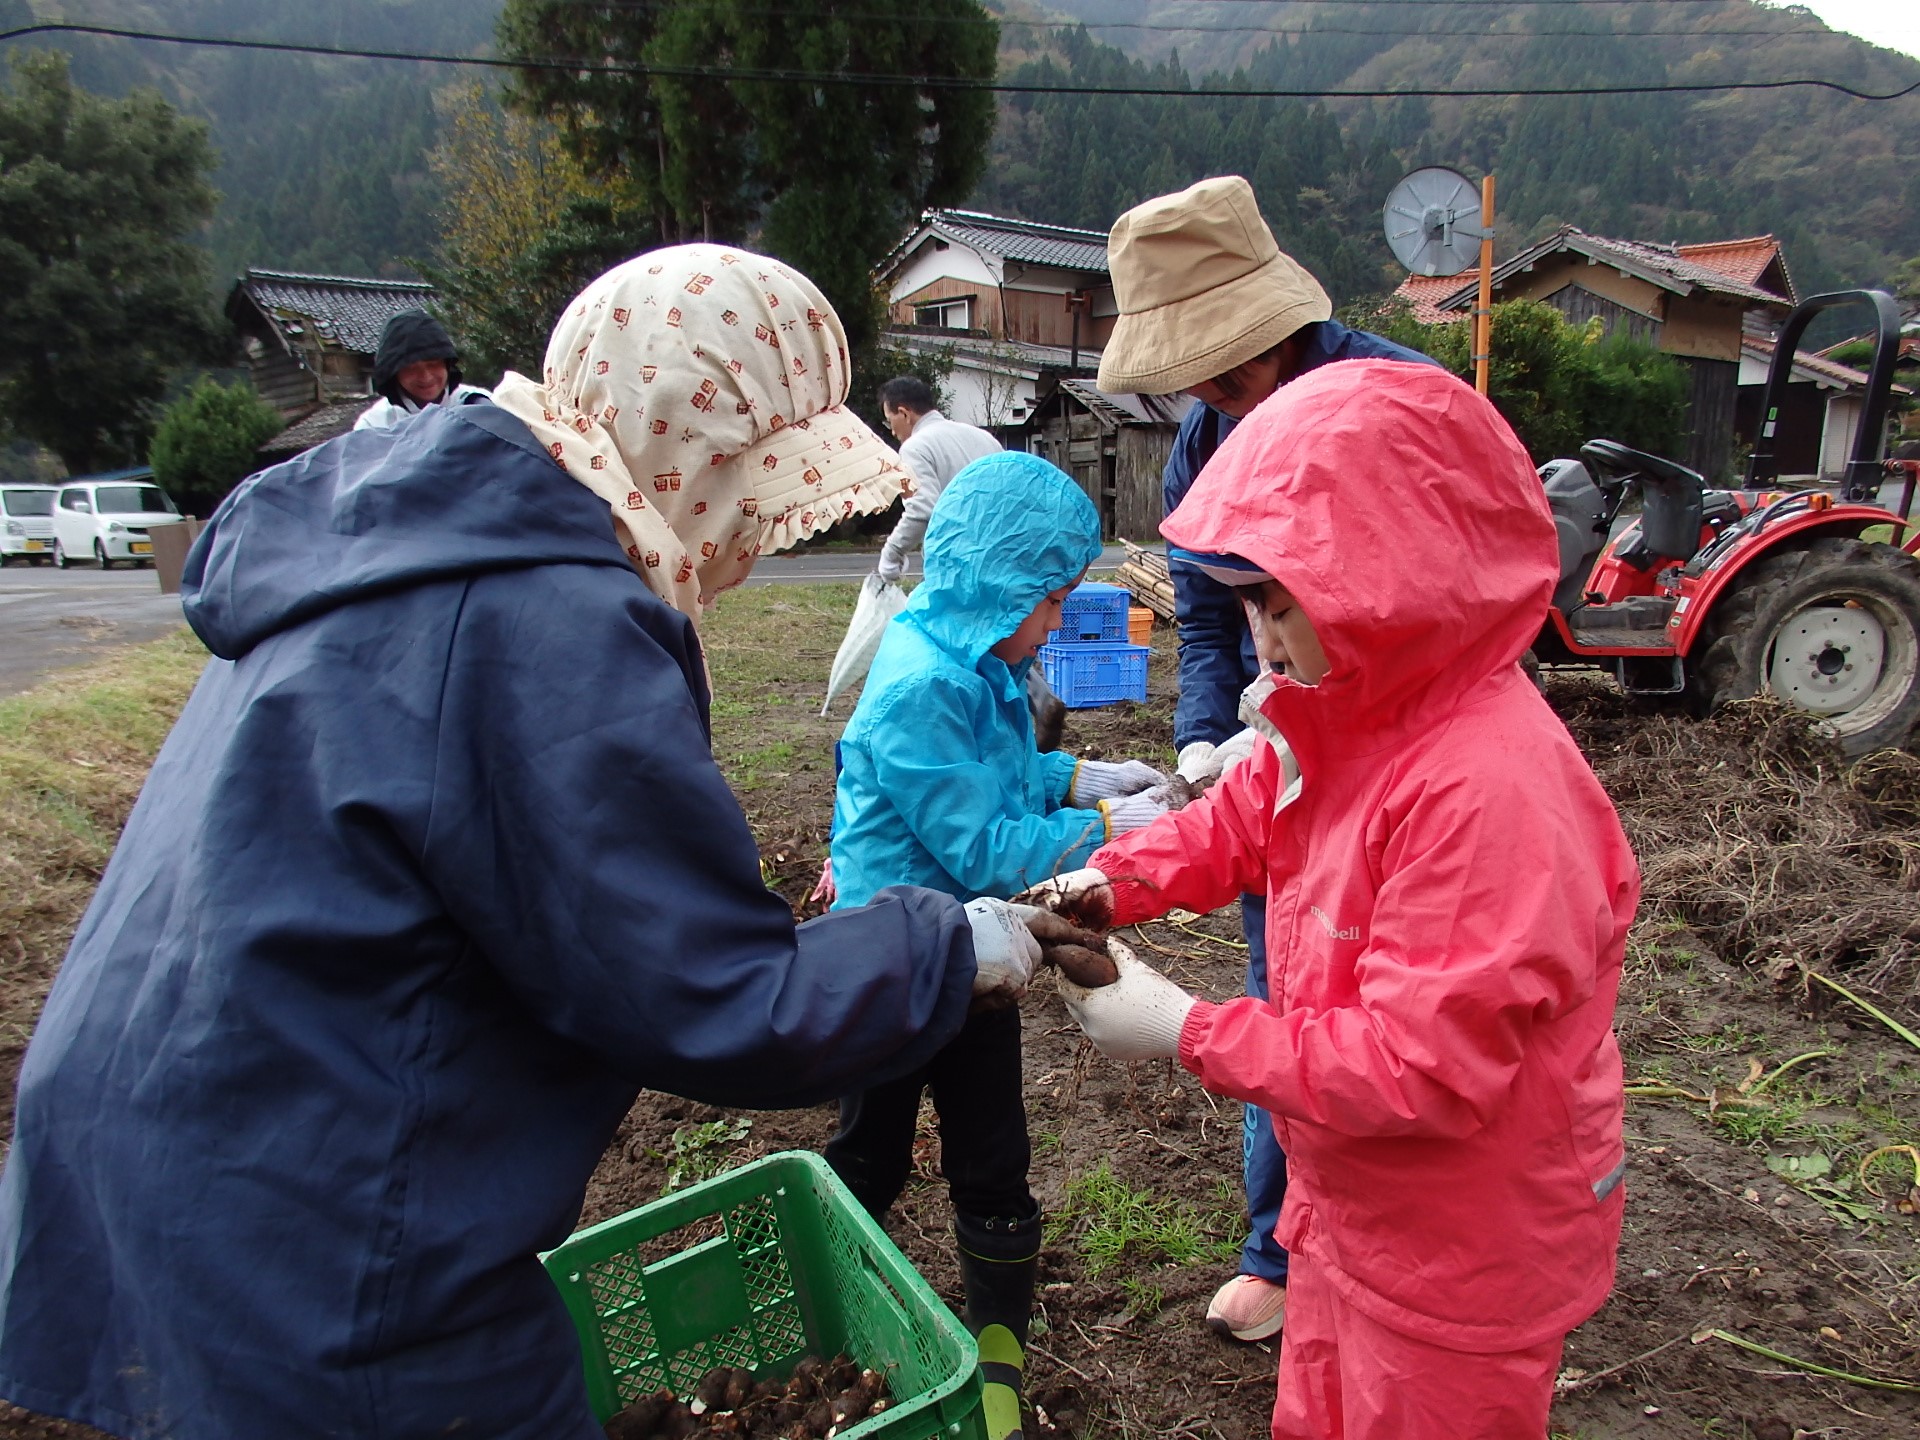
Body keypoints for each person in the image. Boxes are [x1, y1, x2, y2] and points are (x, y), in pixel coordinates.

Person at [0, 246, 1056, 1440]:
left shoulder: (399, 545)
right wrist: (946, 946)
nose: (751, 545)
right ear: (685, 449)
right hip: (316, 1215)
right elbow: (708, 992)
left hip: (165, 1124)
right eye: (753, 499)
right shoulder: (542, 618)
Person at [1036, 360, 1637, 1439]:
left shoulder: (1490, 792)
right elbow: (1239, 822)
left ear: (1389, 579)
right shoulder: (1351, 708)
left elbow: (1417, 1068)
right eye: (1250, 605)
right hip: (1350, 1203)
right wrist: (1110, 883)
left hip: (1462, 1244)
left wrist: (1187, 1029)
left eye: (1281, 606)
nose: (1263, 642)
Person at [1095, 174, 1439, 1344]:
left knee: (1378, 1012)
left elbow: (1451, 603)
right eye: (1191, 379)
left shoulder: (1397, 404)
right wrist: (1211, 738)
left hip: (1392, 747)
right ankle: (1282, 1249)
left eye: (1228, 374)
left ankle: (1382, 1243)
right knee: (1287, 981)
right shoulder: (1203, 442)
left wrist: (1184, 1031)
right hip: (1285, 740)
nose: (1210, 398)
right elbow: (1209, 621)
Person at [825, 451, 1171, 1440]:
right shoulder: (923, 685)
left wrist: (1079, 779)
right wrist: (1109, 832)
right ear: (1000, 586)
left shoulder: (983, 659)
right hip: (895, 959)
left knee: (993, 1156)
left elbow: (1003, 778)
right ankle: (836, 1316)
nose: (1058, 620)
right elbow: (982, 845)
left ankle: (999, 1362)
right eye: (1052, 599)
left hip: (976, 957)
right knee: (870, 1153)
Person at [873, 376, 1002, 584]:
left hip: (954, 564)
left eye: (889, 420)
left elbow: (922, 510)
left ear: (904, 413)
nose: (892, 430)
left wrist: (892, 553)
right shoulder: (984, 438)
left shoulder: (915, 447)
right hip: (1001, 557)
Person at [352, 308, 491, 430]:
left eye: (433, 364)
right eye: (411, 368)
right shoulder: (375, 425)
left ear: (447, 364)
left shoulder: (479, 404)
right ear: (394, 372)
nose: (426, 377)